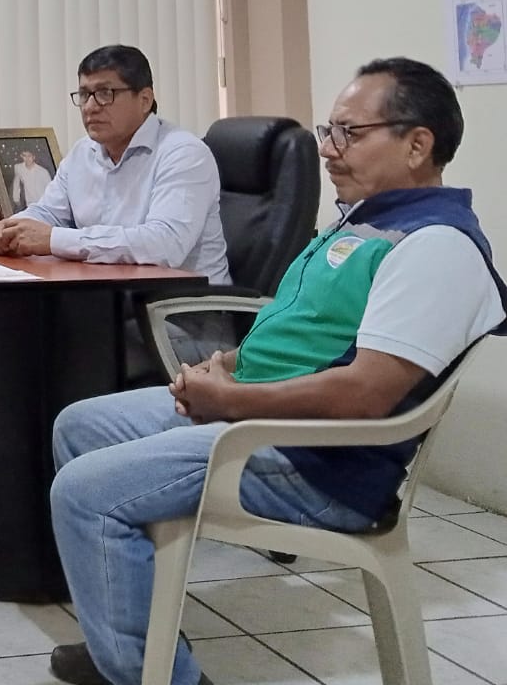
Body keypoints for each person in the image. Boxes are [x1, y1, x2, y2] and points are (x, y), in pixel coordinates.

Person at [46, 57, 506, 685]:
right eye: (328, 130)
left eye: (349, 133)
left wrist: (230, 402)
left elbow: (368, 393)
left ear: (417, 145)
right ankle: (129, 650)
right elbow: (308, 330)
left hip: (316, 463)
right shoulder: (366, 218)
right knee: (79, 426)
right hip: (265, 418)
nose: (328, 148)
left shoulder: (436, 247)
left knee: (86, 492)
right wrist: (228, 365)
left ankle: (157, 675)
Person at [0, 44, 232, 369]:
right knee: (15, 328)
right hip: (114, 307)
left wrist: (53, 239)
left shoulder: (183, 154)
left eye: (104, 94)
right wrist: (12, 228)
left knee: (53, 344)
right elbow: (49, 212)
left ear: (145, 99)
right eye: (84, 94)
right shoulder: (83, 153)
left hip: (183, 320)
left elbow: (164, 245)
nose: (90, 107)